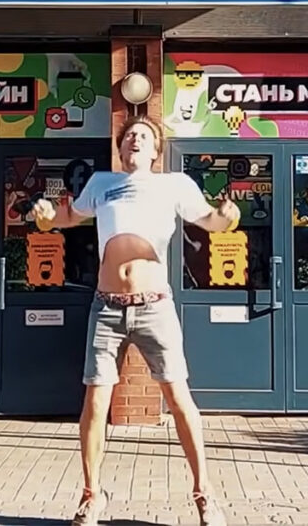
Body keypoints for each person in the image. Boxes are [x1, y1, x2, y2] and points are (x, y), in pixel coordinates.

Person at [31, 115, 239, 526]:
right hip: (107, 308)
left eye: (143, 136)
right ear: (121, 147)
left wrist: (228, 216)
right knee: (95, 402)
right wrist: (45, 215)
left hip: (155, 306)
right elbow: (67, 217)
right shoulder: (101, 184)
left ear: (157, 149)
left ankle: (205, 495)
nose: (135, 140)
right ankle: (92, 495)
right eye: (128, 136)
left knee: (178, 399)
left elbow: (210, 221)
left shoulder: (174, 185)